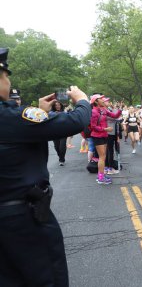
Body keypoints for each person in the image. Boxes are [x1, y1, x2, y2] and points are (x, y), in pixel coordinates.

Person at [0, 47, 92, 287]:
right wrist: (82, 100)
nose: (8, 81)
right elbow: (76, 121)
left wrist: (40, 111)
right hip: (21, 221)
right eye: (5, 75)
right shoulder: (9, 117)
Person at [90, 94, 121, 184]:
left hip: (104, 135)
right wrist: (105, 129)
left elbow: (114, 116)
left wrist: (119, 108)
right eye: (101, 98)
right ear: (96, 101)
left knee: (103, 157)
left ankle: (101, 175)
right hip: (97, 136)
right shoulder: (94, 112)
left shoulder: (103, 109)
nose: (103, 100)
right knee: (102, 157)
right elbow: (93, 126)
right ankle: (100, 178)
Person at [50, 101, 68, 166]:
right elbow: (50, 115)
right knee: (56, 146)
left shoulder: (64, 113)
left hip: (63, 132)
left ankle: (62, 159)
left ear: (61, 106)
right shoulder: (51, 113)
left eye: (59, 105)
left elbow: (67, 121)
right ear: (54, 106)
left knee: (62, 146)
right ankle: (60, 156)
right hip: (54, 132)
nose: (58, 106)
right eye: (56, 105)